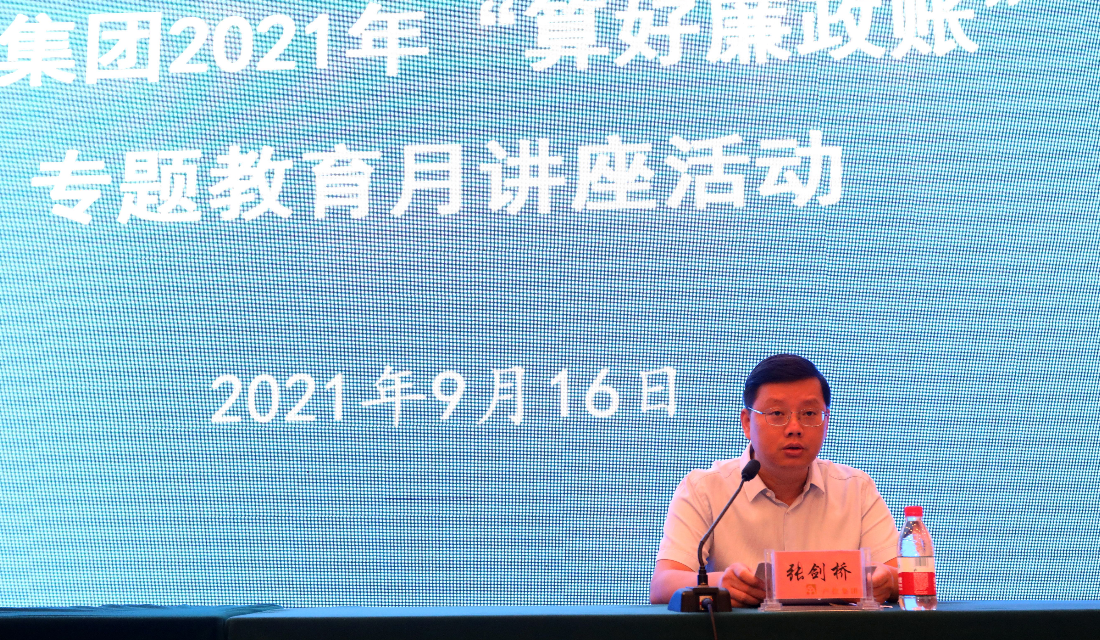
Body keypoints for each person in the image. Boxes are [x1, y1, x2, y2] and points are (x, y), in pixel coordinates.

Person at [650, 354, 900, 606]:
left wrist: (887, 581)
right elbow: (662, 585)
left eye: (809, 413)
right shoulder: (704, 489)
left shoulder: (856, 488)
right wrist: (719, 584)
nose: (794, 427)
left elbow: (903, 576)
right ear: (747, 423)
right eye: (777, 413)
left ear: (825, 422)